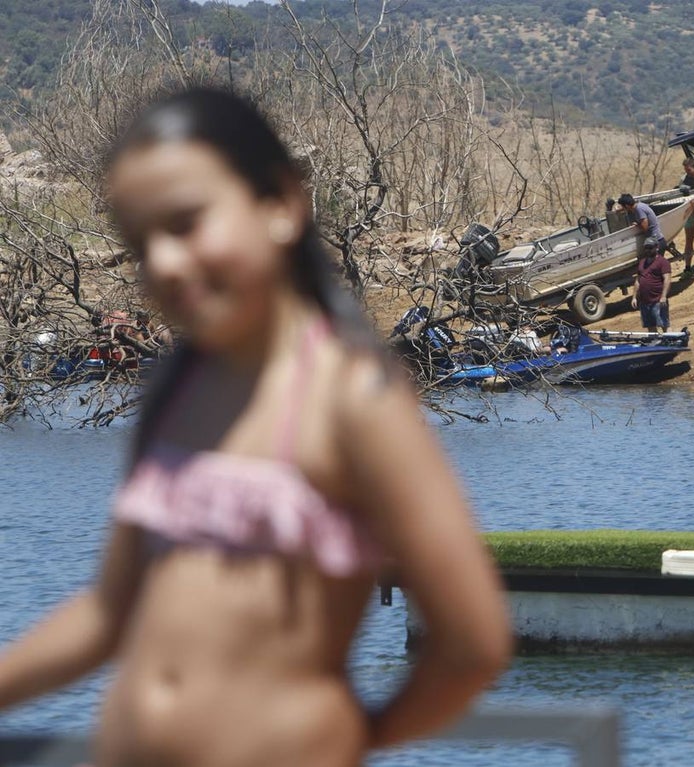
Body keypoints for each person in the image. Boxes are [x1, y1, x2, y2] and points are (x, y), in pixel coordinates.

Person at [0, 87, 511, 766]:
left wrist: (346, 738)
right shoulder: (177, 387)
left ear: (280, 202)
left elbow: (472, 643)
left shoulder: (354, 396)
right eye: (139, 241)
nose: (164, 262)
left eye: (185, 223)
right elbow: (108, 614)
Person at [631, 236, 671, 333]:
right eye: (646, 248)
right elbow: (638, 280)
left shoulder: (662, 262)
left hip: (658, 300)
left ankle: (671, 343)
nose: (648, 250)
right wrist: (634, 297)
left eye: (650, 247)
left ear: (657, 247)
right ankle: (656, 345)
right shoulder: (642, 262)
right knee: (650, 326)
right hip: (645, 302)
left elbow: (667, 279)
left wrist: (664, 296)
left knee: (664, 324)